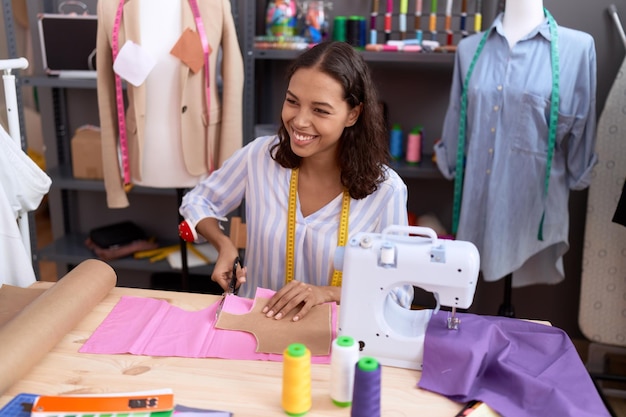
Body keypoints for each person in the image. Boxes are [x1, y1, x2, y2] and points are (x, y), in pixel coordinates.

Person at [180, 41, 412, 321]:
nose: (299, 121)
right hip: (252, 327)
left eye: (320, 110)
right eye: (292, 101)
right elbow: (197, 201)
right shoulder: (259, 157)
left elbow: (398, 295)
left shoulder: (386, 191)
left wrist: (325, 293)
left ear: (353, 114)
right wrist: (223, 244)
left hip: (336, 342)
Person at [434, 0, 597, 289]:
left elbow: (581, 129)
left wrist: (578, 171)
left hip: (533, 211)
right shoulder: (470, 49)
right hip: (479, 205)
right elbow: (458, 118)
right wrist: (450, 161)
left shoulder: (577, 49)